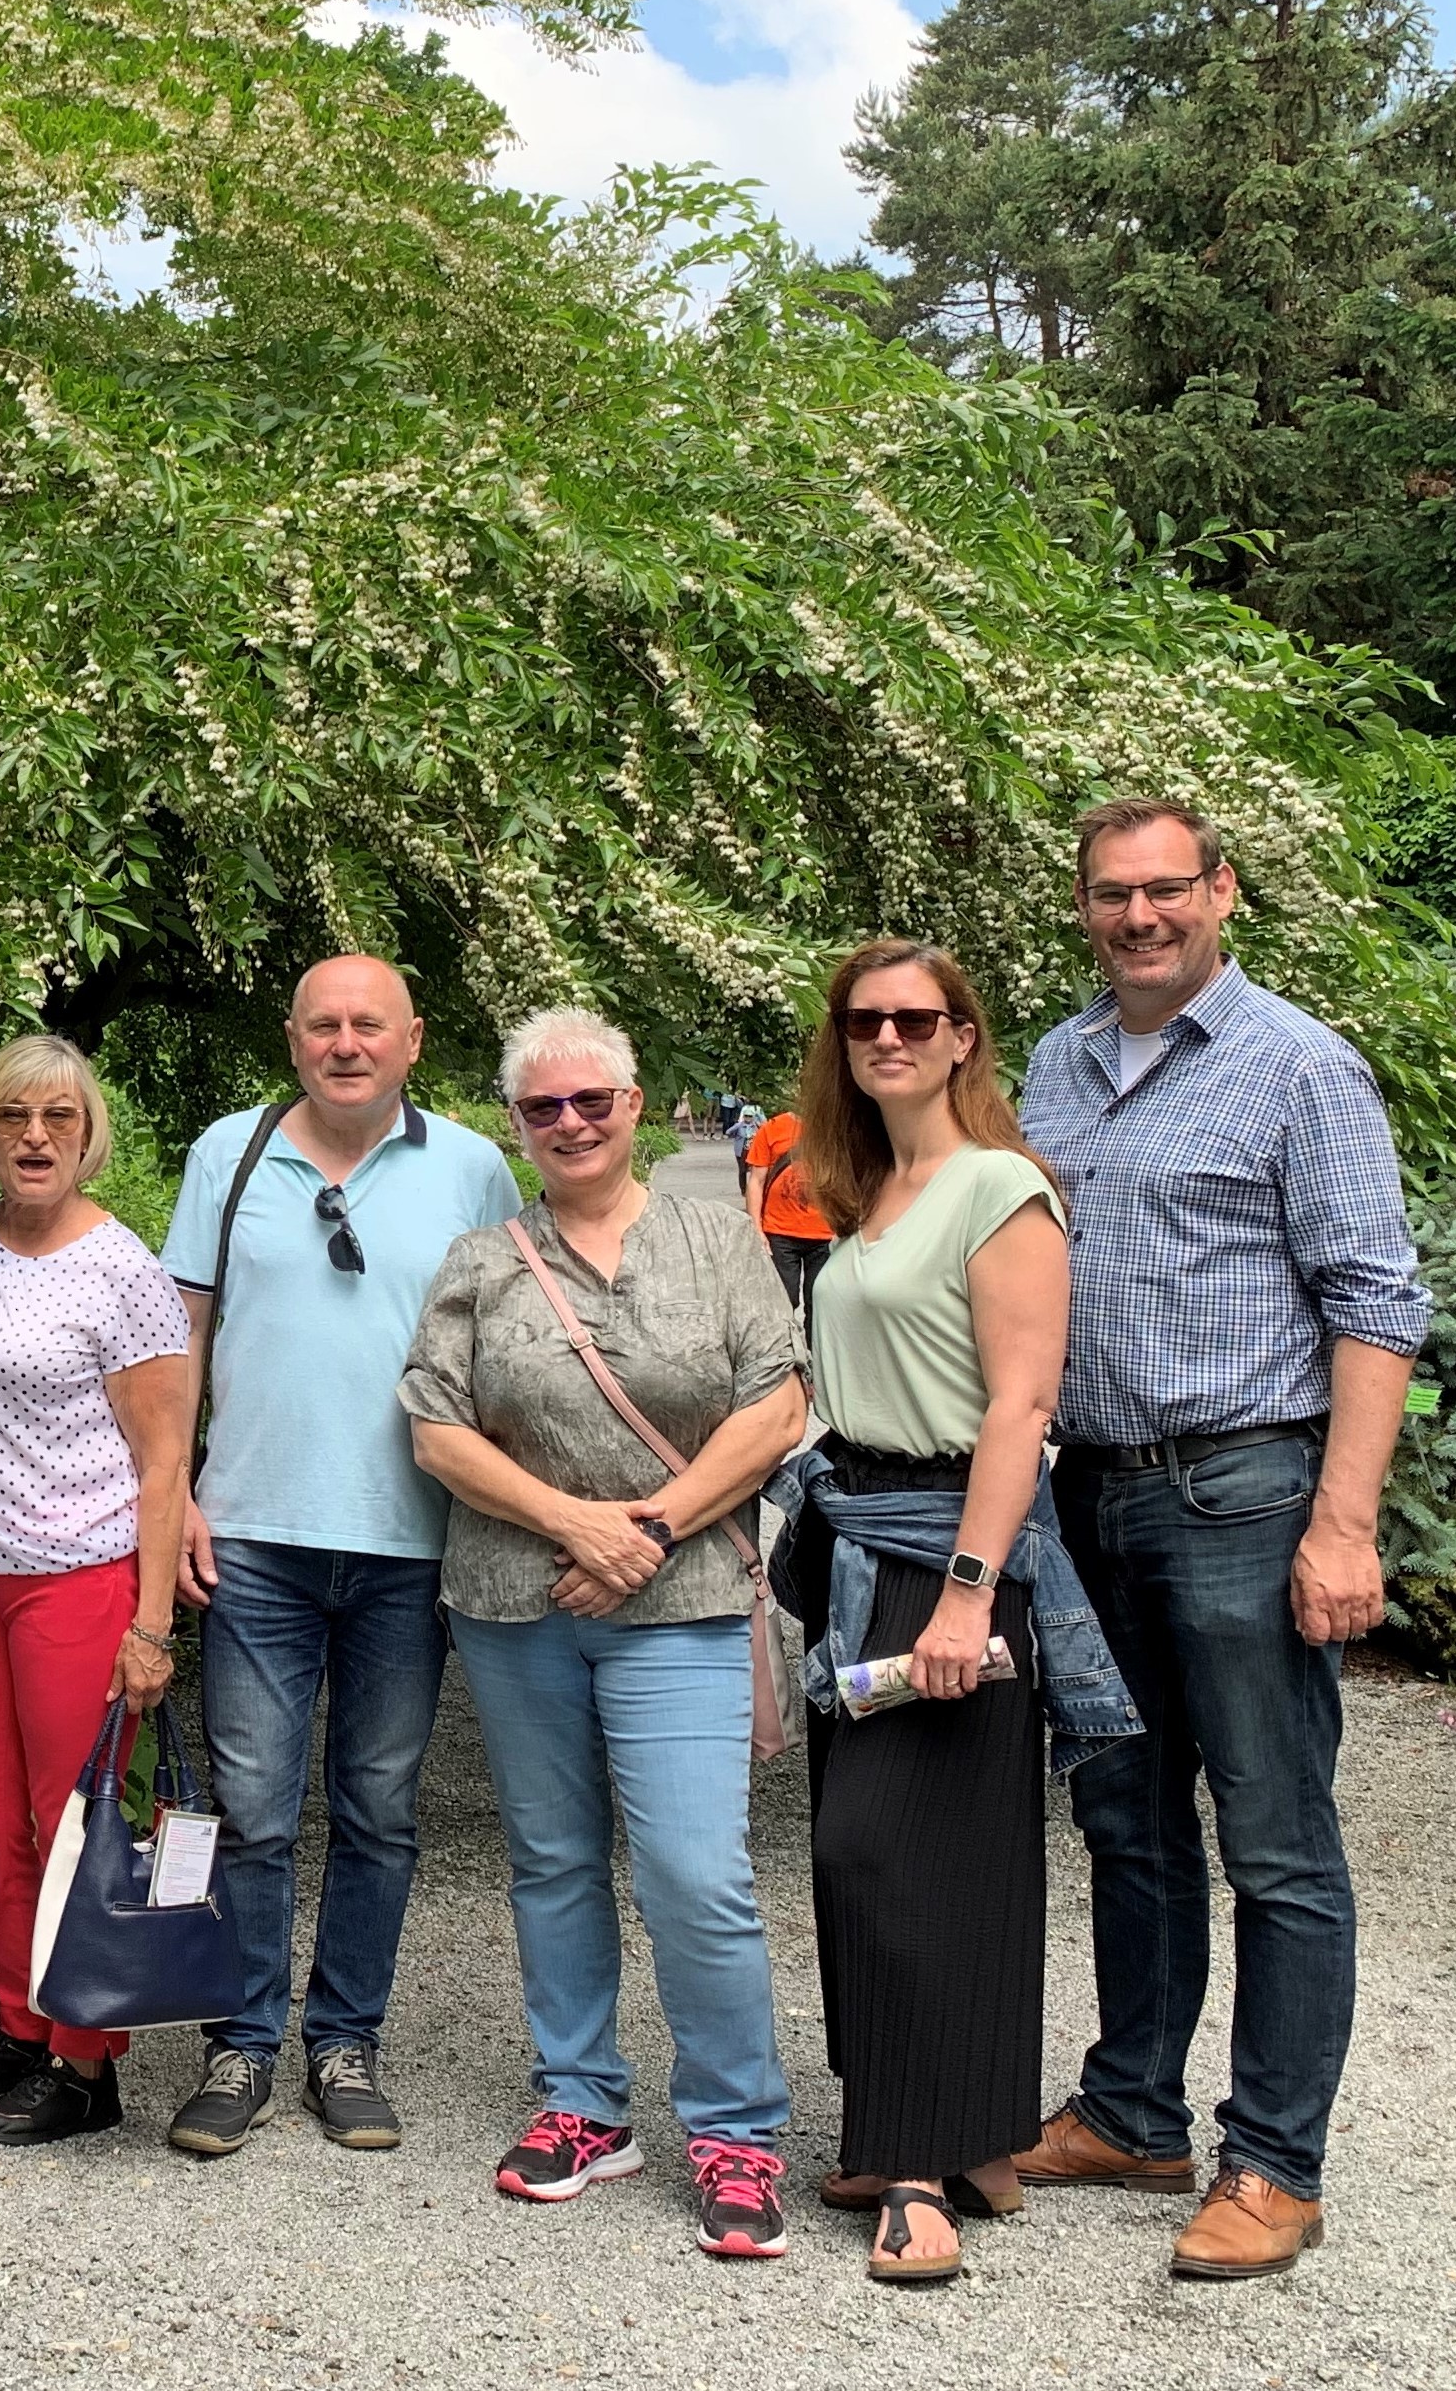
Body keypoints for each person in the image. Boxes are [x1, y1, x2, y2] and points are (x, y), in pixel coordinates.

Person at [1016, 797, 1432, 2279]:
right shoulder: (1057, 1064)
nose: (1140, 916)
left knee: (1275, 1839)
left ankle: (1274, 2162)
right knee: (1124, 1824)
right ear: (1084, 907)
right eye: (1111, 893)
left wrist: (1343, 1523)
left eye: (1166, 888)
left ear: (1222, 892)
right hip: (1090, 1495)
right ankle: (1134, 2111)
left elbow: (1375, 1299)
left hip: (1244, 1495)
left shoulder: (1300, 1067)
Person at [401, 1007, 808, 2260]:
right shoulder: (483, 1259)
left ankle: (735, 2128)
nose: (570, 1123)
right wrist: (575, 1525)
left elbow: (776, 1404)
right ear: (516, 1123)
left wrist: (652, 1529)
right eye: (544, 1107)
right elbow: (436, 1428)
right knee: (552, 1860)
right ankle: (581, 2101)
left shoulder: (714, 1240)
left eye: (592, 1100)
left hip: (680, 1605)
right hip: (515, 1606)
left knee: (695, 1873)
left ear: (633, 1105)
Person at [774, 942, 1109, 2286]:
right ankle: (955, 2132)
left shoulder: (998, 1188)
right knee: (908, 1853)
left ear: (965, 1035)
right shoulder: (869, 1190)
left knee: (889, 1852)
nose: (890, 1038)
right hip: (857, 1544)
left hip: (947, 1551)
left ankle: (919, 2173)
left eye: (918, 1018)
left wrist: (970, 1592)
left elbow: (1021, 1403)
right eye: (866, 1019)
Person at [155, 957, 518, 2158]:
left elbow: (506, 1348)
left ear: (413, 1041)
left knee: (378, 1810)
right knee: (252, 1810)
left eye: (369, 1024)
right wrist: (176, 1496)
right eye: (324, 1024)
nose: (345, 1043)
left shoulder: (470, 1166)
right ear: (293, 1038)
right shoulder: (230, 1152)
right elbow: (181, 1335)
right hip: (252, 1534)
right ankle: (241, 2043)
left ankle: (344, 2042)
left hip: (410, 1542)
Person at [0, 1035, 192, 2148]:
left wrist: (152, 1626)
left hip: (77, 1578)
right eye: (13, 1116)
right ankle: (22, 2022)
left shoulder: (122, 1271)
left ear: (87, 1134)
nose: (35, 1137)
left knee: (72, 1823)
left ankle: (85, 2062)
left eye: (58, 1118)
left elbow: (164, 1461)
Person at [740, 1107, 836, 1335]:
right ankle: (782, 1349)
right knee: (783, 1299)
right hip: (779, 1232)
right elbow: (756, 1181)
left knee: (819, 1303)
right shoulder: (772, 1129)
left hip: (826, 1234)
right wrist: (756, 1228)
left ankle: (817, 1351)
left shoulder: (835, 1127)